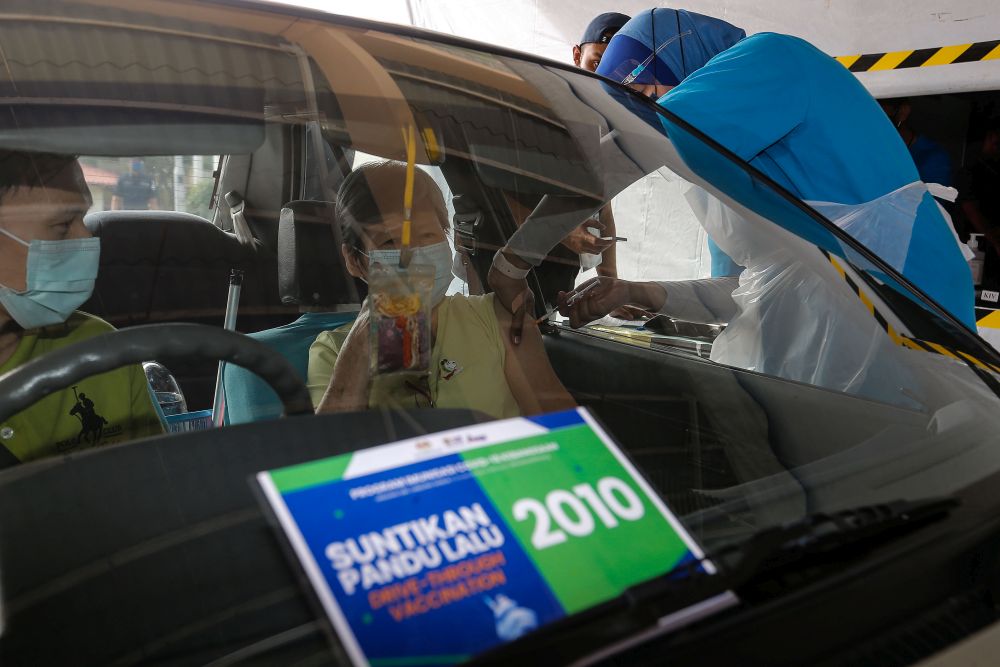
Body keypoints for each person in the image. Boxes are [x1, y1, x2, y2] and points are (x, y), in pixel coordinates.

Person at [488, 8, 976, 398]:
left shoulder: (774, 59)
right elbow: (739, 289)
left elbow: (621, 153)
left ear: (673, 58)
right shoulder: (717, 169)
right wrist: (631, 292)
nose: (644, 114)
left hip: (905, 312)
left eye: (642, 95)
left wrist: (512, 262)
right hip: (823, 354)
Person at [310, 160, 575, 418]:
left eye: (427, 235)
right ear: (354, 261)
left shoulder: (498, 316)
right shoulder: (333, 350)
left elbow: (562, 428)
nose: (415, 254)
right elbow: (327, 456)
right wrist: (360, 348)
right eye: (390, 241)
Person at [0, 151, 163, 464]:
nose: (87, 238)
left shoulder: (101, 351)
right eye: (62, 225)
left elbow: (159, 490)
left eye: (84, 218)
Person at [879, 98, 953, 188]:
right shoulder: (876, 151)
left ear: (903, 112)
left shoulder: (933, 157)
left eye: (880, 113)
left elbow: (933, 201)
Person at [961, 118, 1000, 288]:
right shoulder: (969, 168)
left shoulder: (990, 167)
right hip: (971, 244)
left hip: (985, 245)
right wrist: (994, 239)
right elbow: (968, 207)